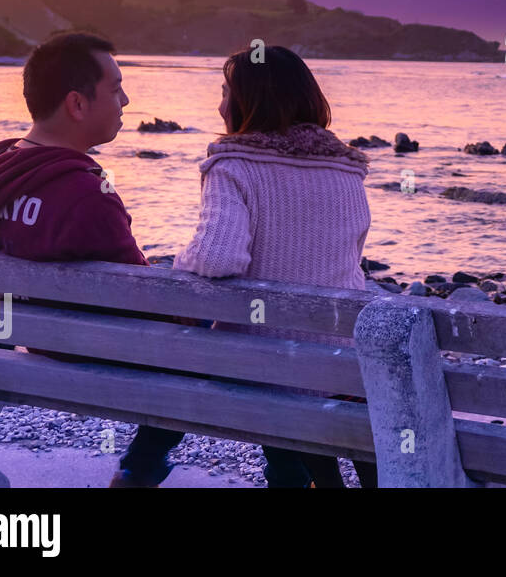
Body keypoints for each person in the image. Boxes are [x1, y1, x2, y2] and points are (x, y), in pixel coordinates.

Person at [113, 45, 379, 488]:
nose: (219, 105)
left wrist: (179, 267)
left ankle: (135, 471)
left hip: (263, 364)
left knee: (195, 349)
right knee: (271, 367)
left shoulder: (233, 164)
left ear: (246, 102)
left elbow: (217, 258)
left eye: (224, 92)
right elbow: (349, 264)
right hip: (338, 364)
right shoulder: (348, 170)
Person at [0, 31, 145, 266]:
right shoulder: (90, 198)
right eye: (116, 90)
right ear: (77, 104)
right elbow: (145, 294)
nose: (125, 100)